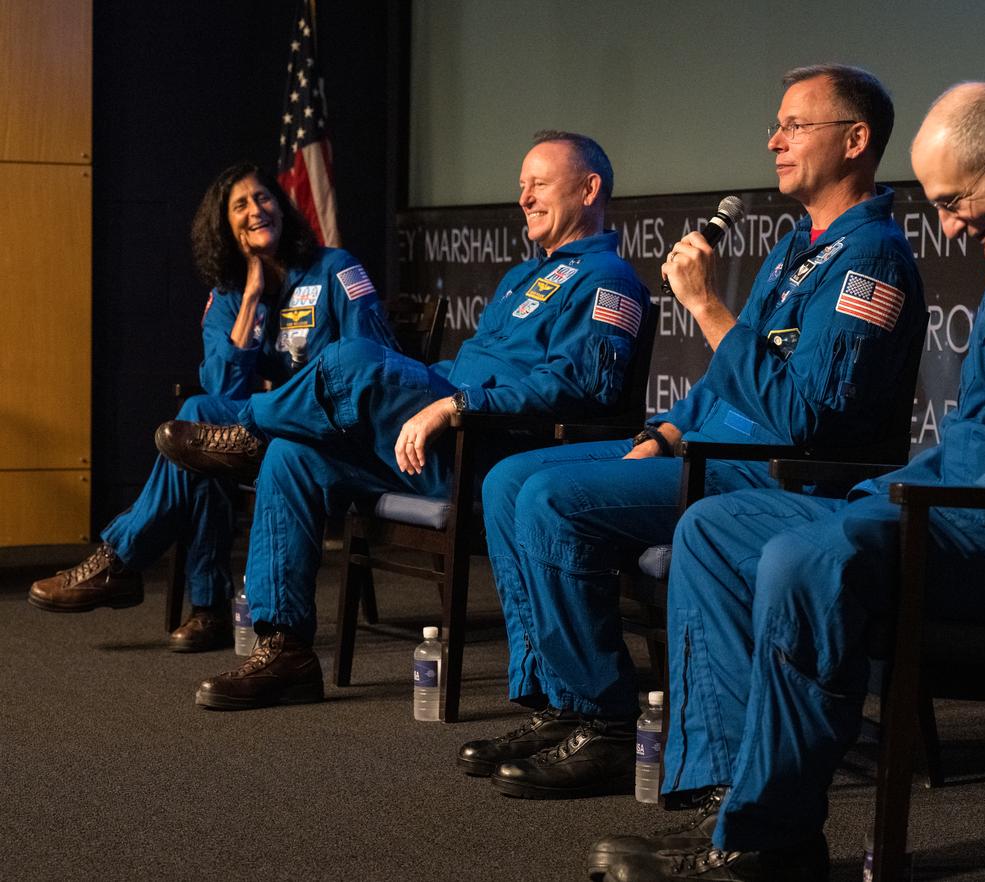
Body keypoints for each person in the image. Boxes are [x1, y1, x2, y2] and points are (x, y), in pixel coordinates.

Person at [589, 82, 985, 882]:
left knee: (811, 557)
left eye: (954, 201)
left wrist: (912, 506)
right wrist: (892, 493)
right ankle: (733, 803)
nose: (946, 225)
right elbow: (975, 441)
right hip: (973, 526)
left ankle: (770, 842)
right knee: (714, 527)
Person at [461, 64, 925, 802]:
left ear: (856, 140)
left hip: (773, 472)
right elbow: (733, 374)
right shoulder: (800, 245)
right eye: (775, 125)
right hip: (709, 449)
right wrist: (671, 430)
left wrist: (707, 307)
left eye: (795, 125)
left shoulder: (872, 259)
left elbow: (806, 419)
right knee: (509, 477)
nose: (774, 140)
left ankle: (606, 725)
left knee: (551, 496)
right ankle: (561, 701)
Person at [156, 131, 650, 709]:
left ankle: (247, 428)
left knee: (351, 357)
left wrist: (454, 403)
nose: (524, 199)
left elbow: (582, 389)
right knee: (294, 455)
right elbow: (470, 366)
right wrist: (436, 387)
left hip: (492, 452)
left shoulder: (608, 280)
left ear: (590, 189)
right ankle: (285, 647)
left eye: (538, 184)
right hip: (439, 439)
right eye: (521, 186)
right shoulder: (523, 277)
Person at [28, 162, 397, 653]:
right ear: (225, 227)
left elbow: (368, 360)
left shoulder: (336, 269)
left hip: (328, 433)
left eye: (262, 198)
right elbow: (225, 384)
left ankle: (140, 572)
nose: (254, 210)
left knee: (199, 421)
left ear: (282, 207)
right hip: (263, 432)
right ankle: (204, 610)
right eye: (239, 205)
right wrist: (250, 300)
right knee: (203, 442)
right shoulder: (227, 296)